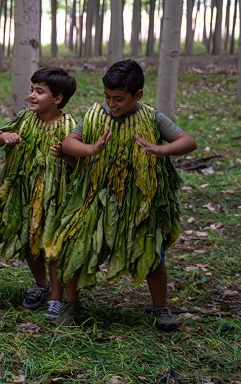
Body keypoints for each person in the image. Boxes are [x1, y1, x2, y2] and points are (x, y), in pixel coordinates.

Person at [46, 59, 197, 331]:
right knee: (72, 246)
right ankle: (72, 302)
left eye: (119, 98)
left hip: (139, 204)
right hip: (94, 199)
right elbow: (70, 142)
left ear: (137, 95)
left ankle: (161, 307)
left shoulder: (152, 117)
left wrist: (161, 150)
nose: (112, 104)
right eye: (108, 97)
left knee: (152, 255)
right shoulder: (94, 115)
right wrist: (91, 150)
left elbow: (188, 141)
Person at [0, 67, 77, 319]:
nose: (31, 96)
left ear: (58, 98)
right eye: (31, 90)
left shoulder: (69, 125)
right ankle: (42, 285)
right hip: (24, 193)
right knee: (30, 243)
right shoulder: (25, 118)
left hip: (55, 197)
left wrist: (65, 154)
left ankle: (56, 298)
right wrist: (5, 136)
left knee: (51, 246)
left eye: (39, 92)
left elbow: (79, 163)